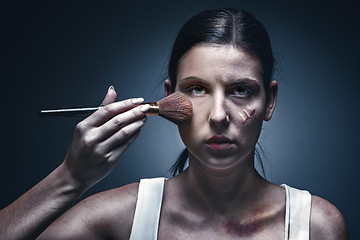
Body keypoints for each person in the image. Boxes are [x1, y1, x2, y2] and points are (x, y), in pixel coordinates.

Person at [0, 8, 347, 239]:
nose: (218, 115)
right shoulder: (115, 218)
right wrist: (69, 178)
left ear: (269, 102)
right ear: (169, 96)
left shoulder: (316, 225)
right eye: (196, 89)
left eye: (241, 90)